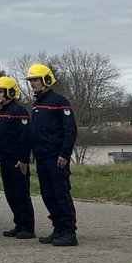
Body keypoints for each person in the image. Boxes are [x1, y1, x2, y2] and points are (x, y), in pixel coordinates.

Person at [27, 63, 78, 246]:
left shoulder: (59, 101)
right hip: (42, 157)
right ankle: (58, 228)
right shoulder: (38, 103)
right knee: (48, 195)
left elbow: (70, 130)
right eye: (31, 80)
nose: (32, 83)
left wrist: (64, 154)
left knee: (60, 194)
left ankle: (69, 232)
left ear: (46, 80)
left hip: (56, 158)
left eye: (35, 79)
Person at [0, 76, 36, 239]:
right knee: (10, 193)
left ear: (10, 92)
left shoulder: (19, 111)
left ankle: (28, 227)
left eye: (0, 91)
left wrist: (23, 159)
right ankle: (18, 224)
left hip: (17, 161)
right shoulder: (1, 112)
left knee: (21, 194)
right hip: (5, 160)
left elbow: (26, 137)